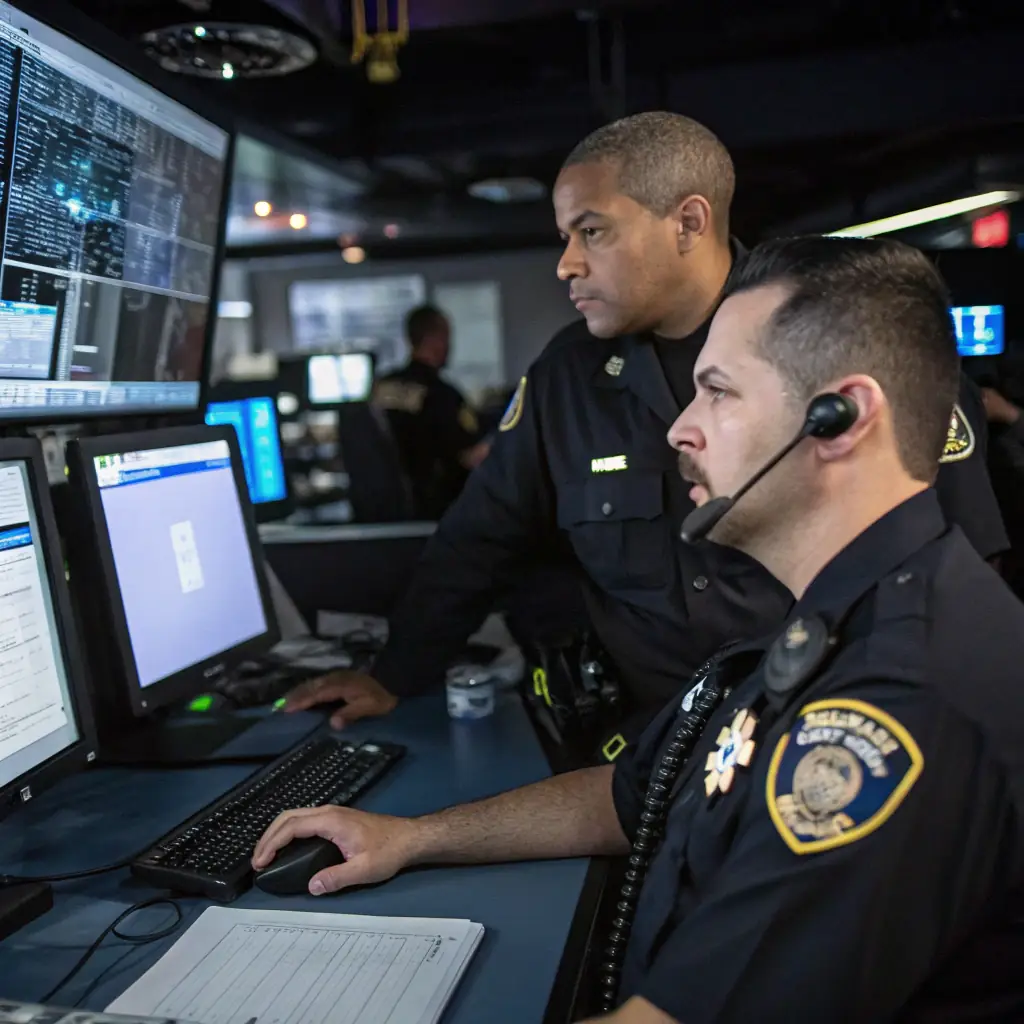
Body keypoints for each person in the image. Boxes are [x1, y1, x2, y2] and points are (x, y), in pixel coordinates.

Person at [256, 236, 1024, 1022]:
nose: (679, 431)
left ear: (841, 418)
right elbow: (632, 797)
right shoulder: (826, 626)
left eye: (719, 393)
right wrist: (409, 838)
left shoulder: (895, 706)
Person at [285, 111, 1007, 758]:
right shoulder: (569, 376)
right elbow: (478, 538)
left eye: (591, 231)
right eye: (566, 237)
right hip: (641, 747)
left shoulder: (840, 336)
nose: (567, 263)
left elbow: (961, 569)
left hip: (820, 733)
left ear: (688, 222)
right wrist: (395, 674)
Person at [373, 304, 490, 519]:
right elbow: (471, 455)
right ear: (437, 338)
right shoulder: (443, 396)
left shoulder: (380, 387)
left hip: (383, 514)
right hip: (435, 512)